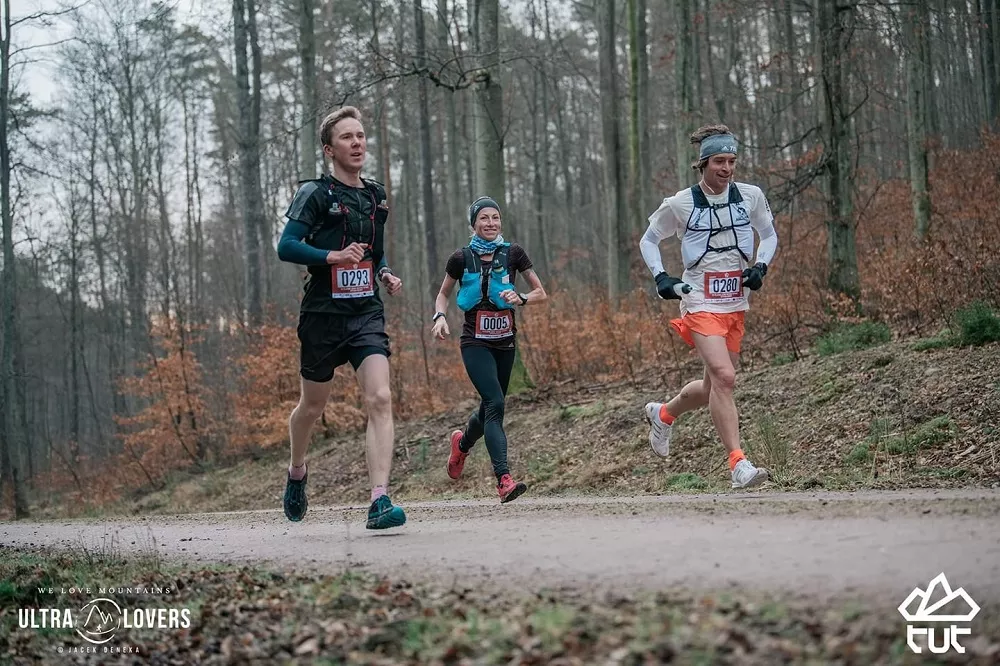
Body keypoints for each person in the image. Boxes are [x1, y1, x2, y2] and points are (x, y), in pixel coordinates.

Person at [275, 105, 407, 529]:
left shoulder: (376, 196)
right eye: (347, 137)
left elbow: (374, 252)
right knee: (312, 406)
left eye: (361, 136)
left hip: (365, 311)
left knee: (380, 398)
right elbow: (286, 246)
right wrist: (332, 256)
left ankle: (379, 500)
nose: (357, 143)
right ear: (329, 150)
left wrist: (384, 273)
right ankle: (297, 471)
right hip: (323, 314)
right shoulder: (315, 194)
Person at [638, 124, 779, 489]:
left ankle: (664, 414)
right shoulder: (681, 203)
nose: (726, 168)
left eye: (731, 161)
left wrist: (760, 266)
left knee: (712, 385)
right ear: (703, 164)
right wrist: (662, 278)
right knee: (725, 377)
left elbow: (769, 235)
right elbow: (649, 241)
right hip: (698, 299)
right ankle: (738, 465)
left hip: (735, 301)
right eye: (719, 161)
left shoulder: (750, 196)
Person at [430, 197, 547, 503]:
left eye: (495, 217)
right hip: (475, 342)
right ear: (474, 224)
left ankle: (462, 444)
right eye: (484, 218)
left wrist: (521, 297)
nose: (491, 223)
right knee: (495, 403)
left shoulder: (514, 253)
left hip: (505, 342)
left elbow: (541, 292)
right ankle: (504, 480)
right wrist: (439, 316)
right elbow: (443, 294)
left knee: (489, 407)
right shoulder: (460, 258)